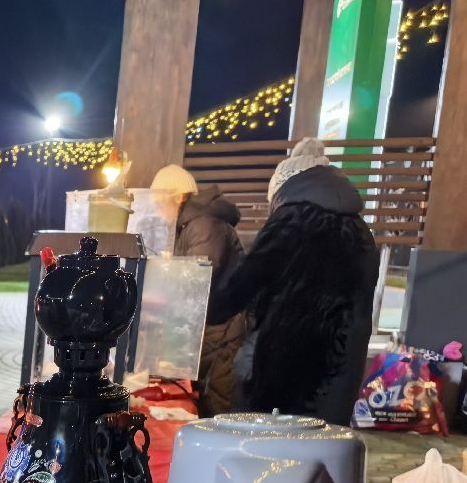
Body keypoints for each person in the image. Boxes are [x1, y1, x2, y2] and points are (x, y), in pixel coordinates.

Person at [209, 138, 376, 425]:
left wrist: (203, 305)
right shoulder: (361, 232)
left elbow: (238, 290)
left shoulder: (292, 221)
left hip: (285, 373)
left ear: (283, 190)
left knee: (266, 455)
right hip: (340, 373)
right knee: (319, 452)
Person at [155, 165, 248, 416]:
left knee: (217, 408)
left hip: (222, 328)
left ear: (176, 196)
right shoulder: (189, 225)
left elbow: (195, 278)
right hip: (211, 328)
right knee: (207, 402)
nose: (157, 209)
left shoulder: (203, 224)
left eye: (159, 202)